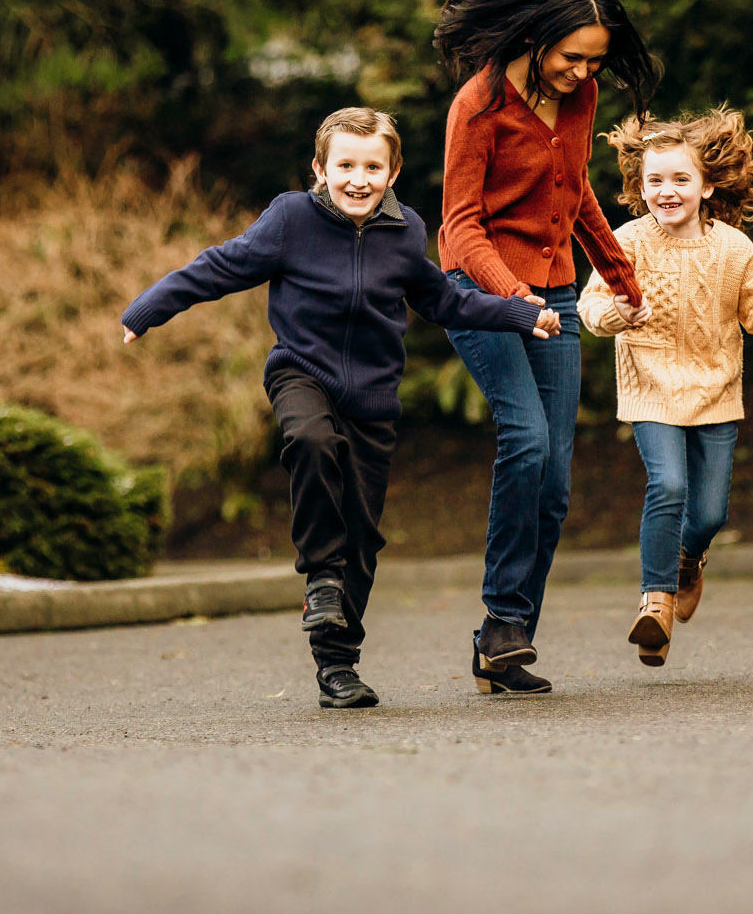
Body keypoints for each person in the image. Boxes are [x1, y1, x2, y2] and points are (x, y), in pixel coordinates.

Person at [119, 108, 560, 709]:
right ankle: (319, 576)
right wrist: (148, 309)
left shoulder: (404, 231)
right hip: (302, 372)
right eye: (344, 165)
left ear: (393, 170)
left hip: (373, 399)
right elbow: (220, 266)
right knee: (310, 440)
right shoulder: (291, 220)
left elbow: (442, 300)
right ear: (319, 169)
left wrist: (518, 312)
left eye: (372, 166)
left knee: (364, 538)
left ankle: (338, 667)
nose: (358, 178)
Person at [435, 0, 661, 694]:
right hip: (481, 290)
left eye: (594, 59)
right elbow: (460, 226)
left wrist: (619, 271)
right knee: (526, 439)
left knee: (556, 481)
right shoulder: (479, 104)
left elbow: (574, 186)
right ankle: (502, 618)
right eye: (572, 56)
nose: (583, 70)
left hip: (557, 290)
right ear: (536, 37)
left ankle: (505, 645)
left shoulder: (582, 96)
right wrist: (512, 296)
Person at [581, 106, 753, 666]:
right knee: (669, 485)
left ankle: (688, 560)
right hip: (651, 388)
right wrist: (617, 314)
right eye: (654, 180)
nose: (667, 190)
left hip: (716, 392)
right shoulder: (625, 240)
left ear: (707, 186)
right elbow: (589, 305)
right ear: (639, 186)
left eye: (681, 179)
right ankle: (654, 603)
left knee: (708, 514)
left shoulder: (734, 248)